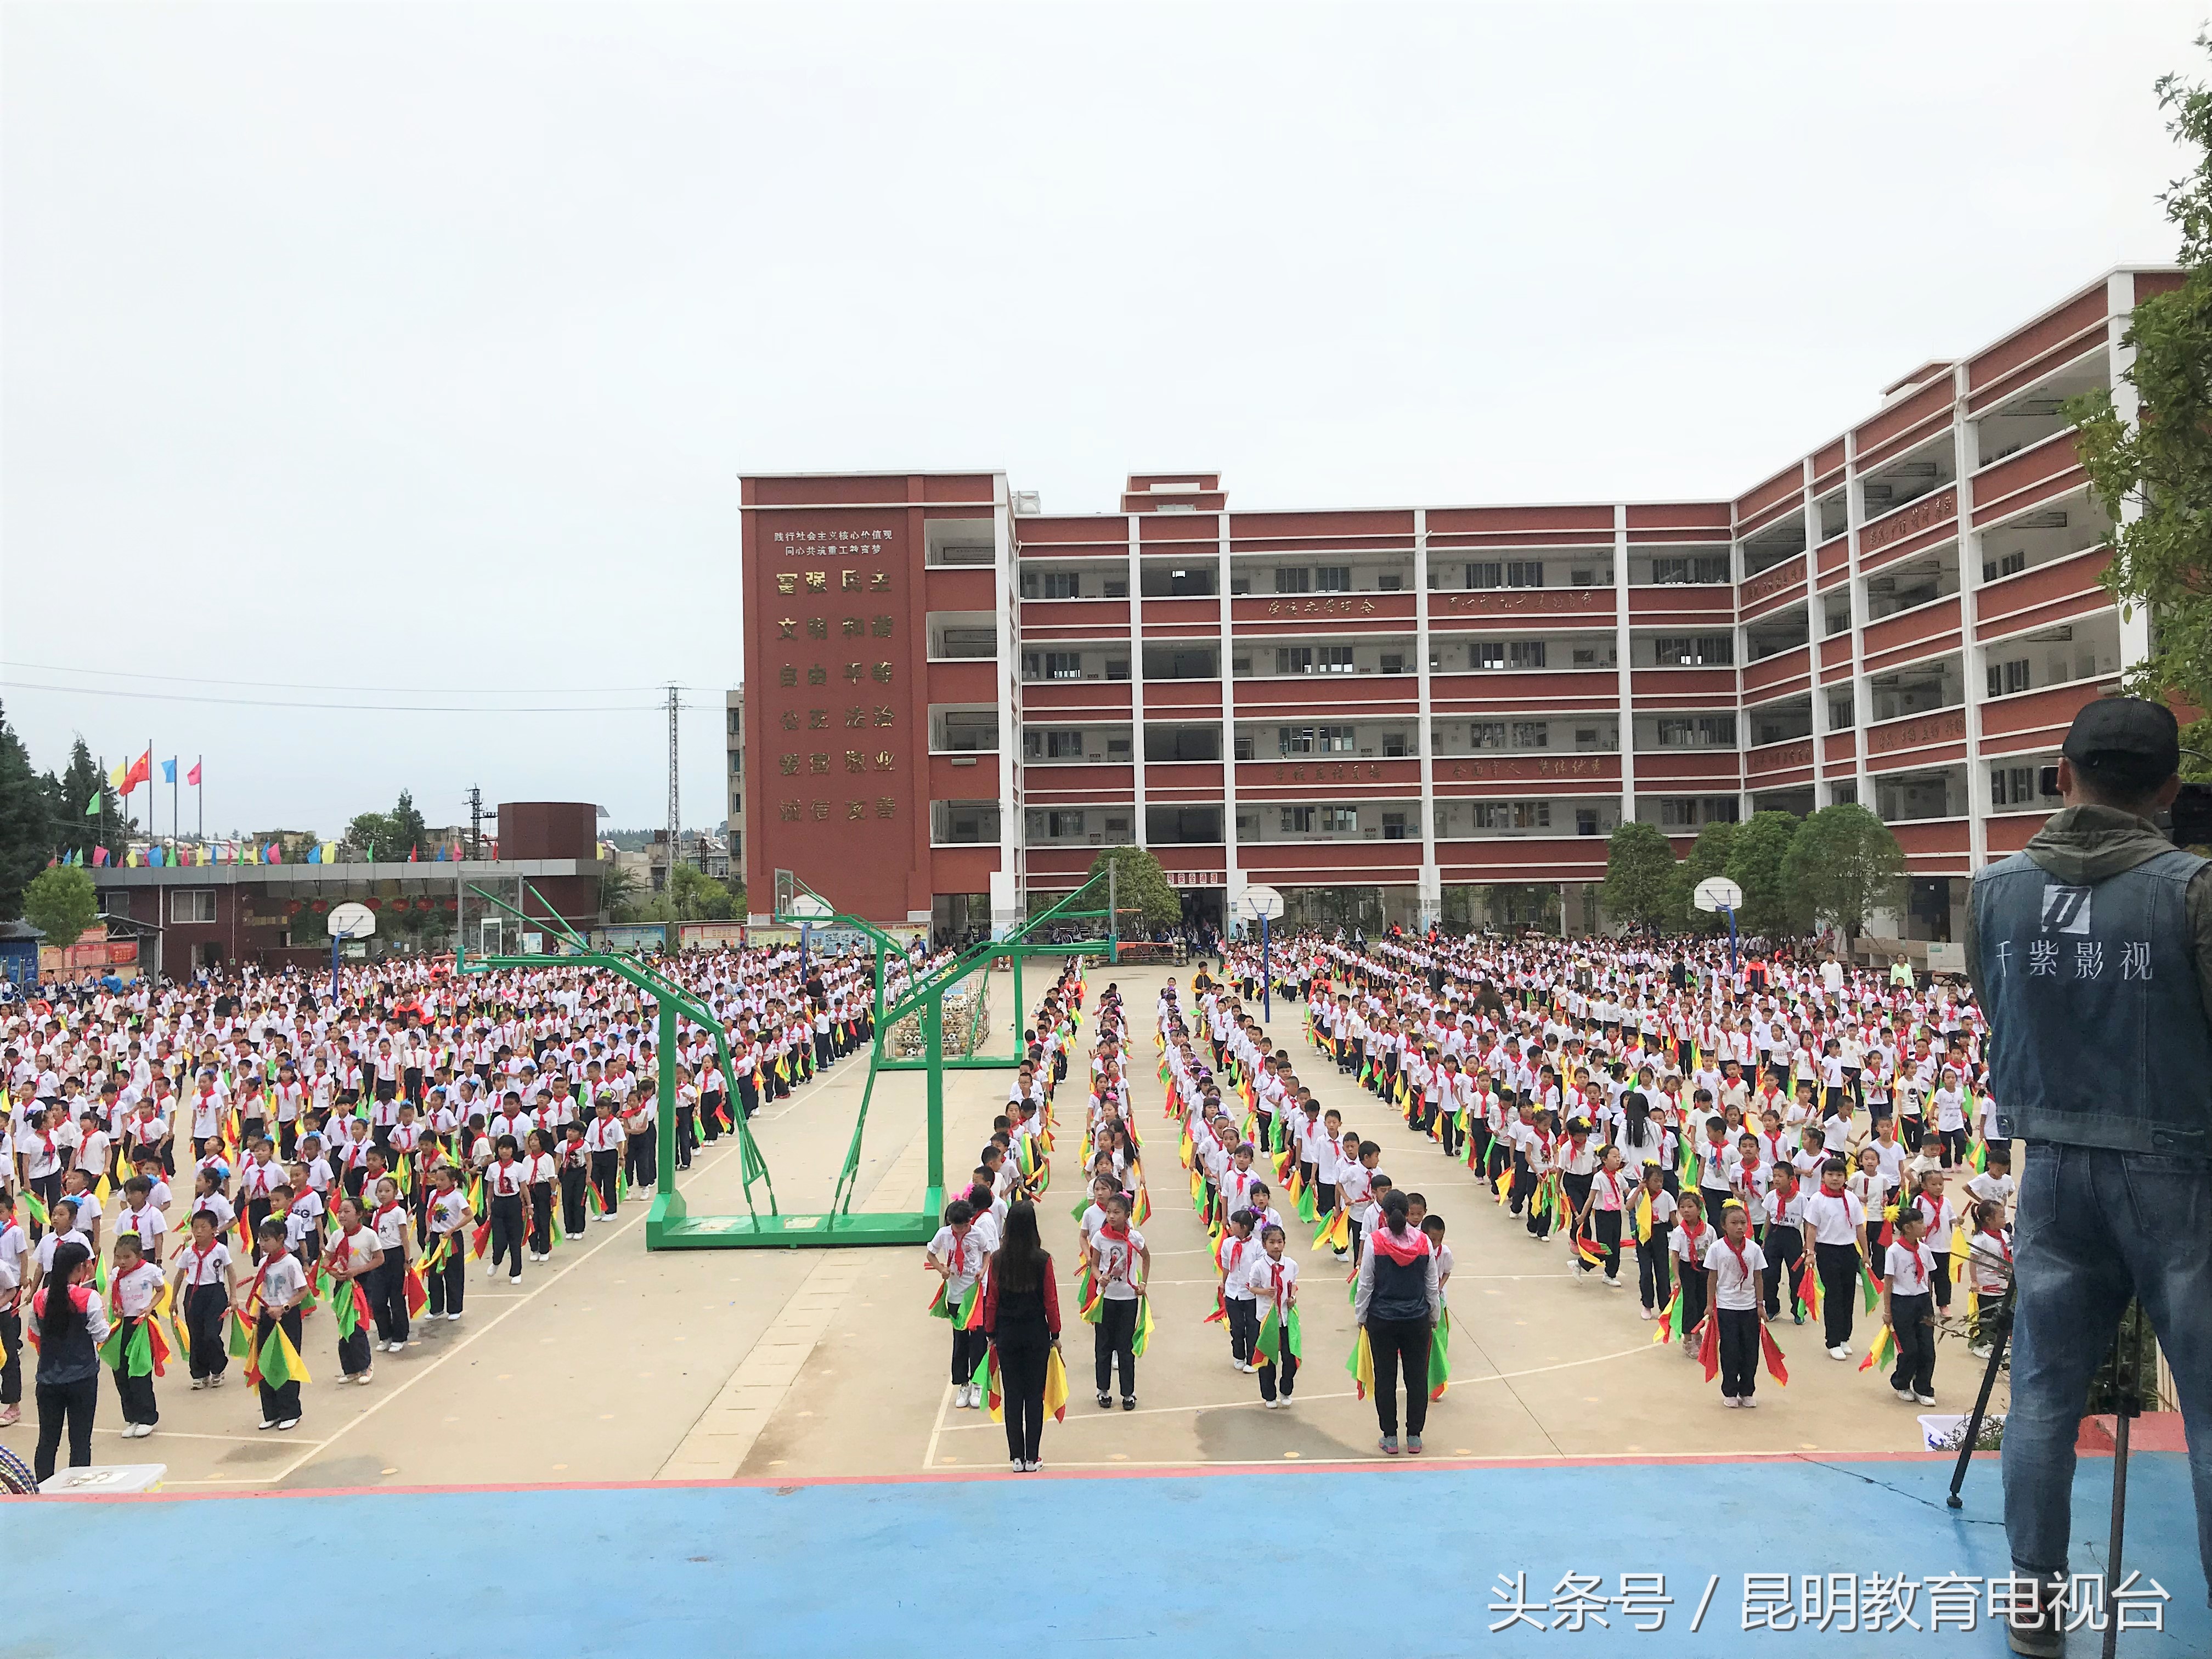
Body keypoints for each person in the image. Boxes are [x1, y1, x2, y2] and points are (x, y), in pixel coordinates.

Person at [1965, 698, 2212, 1655]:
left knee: (2041, 1394)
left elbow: (2002, 1008)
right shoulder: (2191, 890)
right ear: (2167, 790)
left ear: (2060, 775)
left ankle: (2033, 1599)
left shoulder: (1993, 891)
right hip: (2179, 1169)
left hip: (2052, 1167)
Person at [1352, 1188, 1440, 1455]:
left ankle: (1390, 1436)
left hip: (1383, 1319)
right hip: (1416, 1319)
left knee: (1385, 1378)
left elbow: (1366, 1283)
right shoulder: (1424, 1242)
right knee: (1416, 1378)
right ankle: (1414, 1436)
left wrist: (1361, 1315)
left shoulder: (1375, 1242)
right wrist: (1433, 1316)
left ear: (1385, 1213)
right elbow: (1431, 1286)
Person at [980, 1199, 1060, 1474]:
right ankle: (1032, 1457)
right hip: (1036, 1333)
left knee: (1013, 1396)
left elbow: (992, 1300)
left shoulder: (999, 1259)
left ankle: (1015, 1457)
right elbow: (1051, 1300)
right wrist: (1056, 1333)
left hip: (1007, 1334)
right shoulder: (1043, 1259)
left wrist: (990, 1332)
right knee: (1033, 1396)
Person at [30, 1238, 105, 1482]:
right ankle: (77, 1492)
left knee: (47, 1441)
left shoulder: (40, 1299)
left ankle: (41, 1488)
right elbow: (101, 1334)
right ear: (81, 1267)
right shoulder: (88, 1298)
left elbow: (36, 1331)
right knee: (81, 1441)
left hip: (48, 1378)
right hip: (82, 1377)